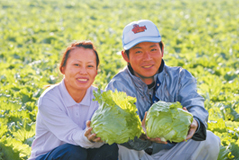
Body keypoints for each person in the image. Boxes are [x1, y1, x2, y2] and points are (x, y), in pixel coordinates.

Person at [106, 20, 220, 160]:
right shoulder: (117, 86)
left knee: (210, 141)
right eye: (138, 51)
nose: (147, 58)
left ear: (162, 50)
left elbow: (195, 103)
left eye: (153, 49)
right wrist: (140, 135)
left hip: (176, 152)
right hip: (137, 154)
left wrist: (195, 121)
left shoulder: (180, 77)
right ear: (126, 56)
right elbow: (115, 128)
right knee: (118, 146)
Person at [29, 41, 118, 160]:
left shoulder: (102, 98)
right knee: (73, 152)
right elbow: (72, 135)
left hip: (84, 154)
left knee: (109, 148)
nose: (83, 72)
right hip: (48, 156)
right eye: (77, 65)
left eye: (90, 66)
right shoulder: (49, 100)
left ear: (96, 72)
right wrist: (87, 137)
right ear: (62, 69)